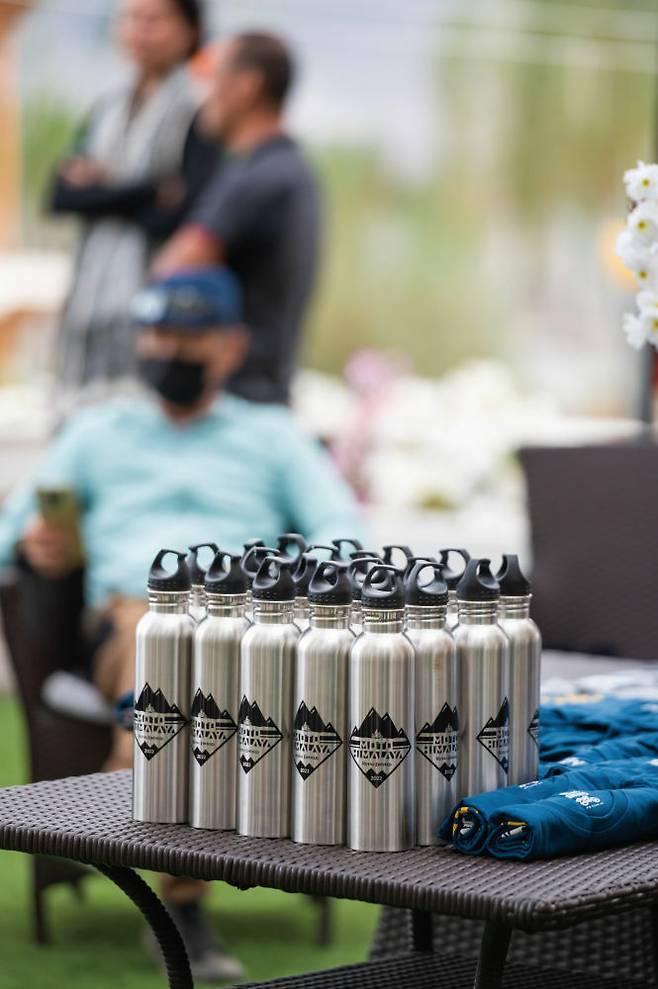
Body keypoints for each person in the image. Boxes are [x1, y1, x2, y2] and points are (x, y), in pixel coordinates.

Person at [0, 267, 364, 982]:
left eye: (190, 336)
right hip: (131, 617)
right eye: (158, 333)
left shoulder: (272, 436)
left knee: (196, 658)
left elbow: (344, 533)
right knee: (161, 638)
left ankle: (129, 793)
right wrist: (37, 543)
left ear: (231, 346)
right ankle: (184, 900)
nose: (170, 349)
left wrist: (281, 581)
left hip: (244, 622)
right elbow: (11, 528)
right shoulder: (97, 432)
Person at [50, 0, 219, 405]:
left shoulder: (198, 109)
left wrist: (100, 188)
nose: (139, 30)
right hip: (88, 300)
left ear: (190, 30)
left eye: (153, 20)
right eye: (130, 19)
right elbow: (61, 196)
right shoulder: (107, 106)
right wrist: (146, 190)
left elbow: (184, 212)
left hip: (151, 307)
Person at [154, 31, 321, 405]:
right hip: (265, 393)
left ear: (247, 85)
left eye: (212, 79)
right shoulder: (293, 172)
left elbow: (172, 270)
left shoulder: (256, 177)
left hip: (233, 399)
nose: (203, 96)